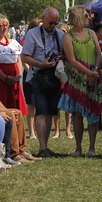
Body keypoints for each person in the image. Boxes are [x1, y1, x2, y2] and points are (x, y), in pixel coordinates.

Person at [58, 6, 102, 157]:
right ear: (78, 17)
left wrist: (95, 71)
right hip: (77, 80)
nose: (88, 18)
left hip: (93, 78)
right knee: (77, 114)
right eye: (85, 16)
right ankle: (78, 148)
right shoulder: (67, 37)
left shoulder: (91, 33)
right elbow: (71, 60)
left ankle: (92, 148)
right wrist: (90, 72)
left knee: (93, 112)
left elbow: (98, 53)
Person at [20, 8, 64, 158]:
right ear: (43, 19)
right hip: (39, 76)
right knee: (41, 112)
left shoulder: (60, 34)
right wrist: (41, 64)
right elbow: (24, 57)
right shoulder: (33, 34)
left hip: (55, 76)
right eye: (51, 22)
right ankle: (42, 147)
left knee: (51, 112)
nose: (53, 25)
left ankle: (46, 147)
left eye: (55, 23)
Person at [0, 14, 27, 114]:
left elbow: (18, 59)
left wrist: (18, 76)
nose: (5, 27)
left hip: (14, 79)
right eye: (1, 25)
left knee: (15, 108)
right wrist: (5, 78)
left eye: (6, 25)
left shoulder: (14, 43)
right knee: (2, 106)